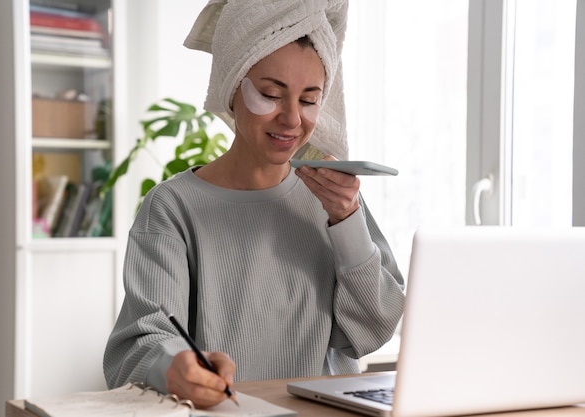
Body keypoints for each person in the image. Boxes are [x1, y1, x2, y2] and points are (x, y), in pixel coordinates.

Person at [103, 0, 405, 409]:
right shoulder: (173, 207)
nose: (292, 119)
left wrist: (347, 221)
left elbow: (374, 328)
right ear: (232, 89)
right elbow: (135, 347)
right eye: (270, 94)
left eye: (309, 99)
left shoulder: (335, 199)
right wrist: (175, 366)